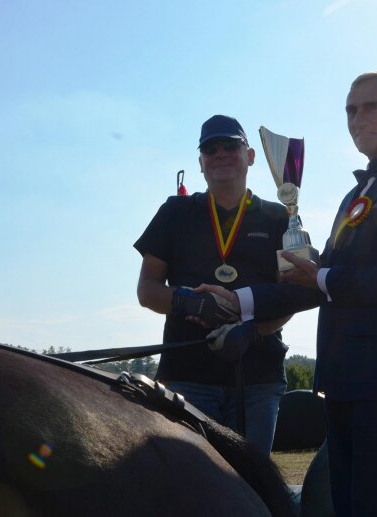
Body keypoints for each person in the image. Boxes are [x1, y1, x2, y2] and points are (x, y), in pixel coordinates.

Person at [200, 69, 377, 516]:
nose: (357, 118)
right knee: (349, 507)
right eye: (350, 110)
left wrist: (321, 277)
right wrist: (238, 303)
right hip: (343, 379)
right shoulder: (356, 192)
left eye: (370, 106)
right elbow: (318, 281)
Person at [133, 115, 293, 456]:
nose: (220, 154)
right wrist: (188, 302)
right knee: (192, 492)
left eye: (230, 146)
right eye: (210, 149)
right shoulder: (175, 212)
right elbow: (147, 289)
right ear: (200, 163)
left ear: (250, 156)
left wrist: (252, 331)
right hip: (188, 378)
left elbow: (290, 296)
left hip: (257, 378)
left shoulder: (279, 217)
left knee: (251, 492)